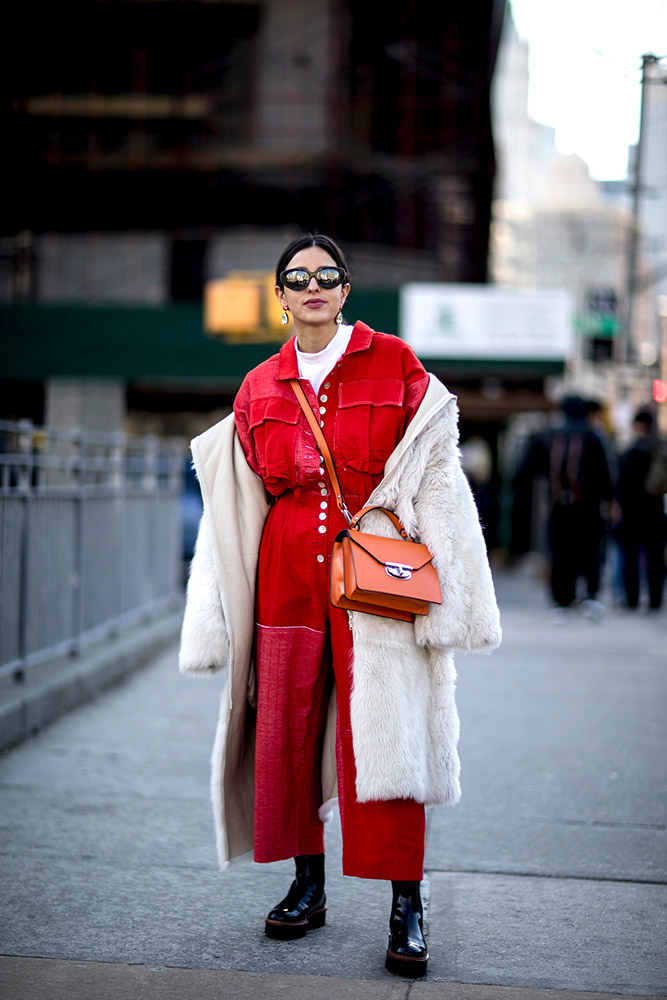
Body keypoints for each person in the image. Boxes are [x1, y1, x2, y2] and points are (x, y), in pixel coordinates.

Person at [179, 233, 501, 977]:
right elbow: (234, 499)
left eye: (328, 275)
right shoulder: (259, 384)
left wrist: (452, 594)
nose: (314, 286)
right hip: (286, 567)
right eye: (298, 277)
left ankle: (405, 902)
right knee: (285, 725)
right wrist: (216, 610)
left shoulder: (395, 363)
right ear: (281, 296)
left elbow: (437, 474)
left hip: (375, 565)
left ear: (346, 289)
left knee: (385, 735)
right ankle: (306, 884)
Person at [512, 395, 613, 619]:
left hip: (557, 506)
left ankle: (561, 600)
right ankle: (590, 596)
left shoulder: (548, 436)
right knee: (590, 552)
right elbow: (605, 474)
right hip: (589, 508)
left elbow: (526, 471)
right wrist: (610, 500)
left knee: (560, 552)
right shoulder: (594, 436)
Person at [616, 408, 666, 611]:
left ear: (637, 425)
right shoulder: (660, 449)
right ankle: (655, 600)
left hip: (632, 512)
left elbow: (619, 483)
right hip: (655, 511)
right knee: (655, 558)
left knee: (631, 558)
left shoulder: (630, 451)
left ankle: (632, 600)